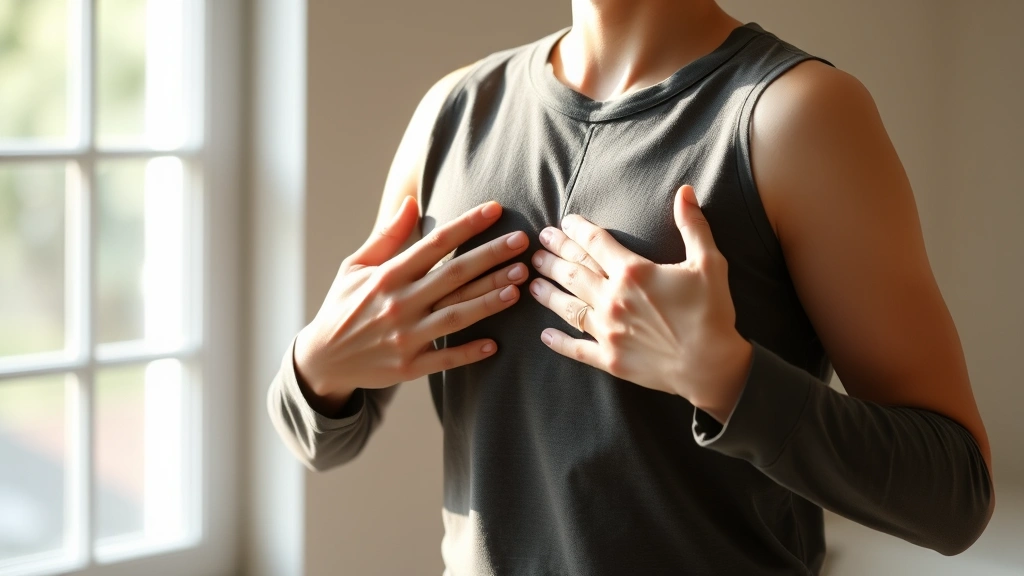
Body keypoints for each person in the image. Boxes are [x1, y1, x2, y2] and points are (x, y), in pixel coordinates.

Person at [268, 1, 995, 574]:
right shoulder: (452, 115)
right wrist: (316, 367)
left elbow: (956, 499)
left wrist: (727, 379)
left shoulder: (798, 115)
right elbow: (319, 441)